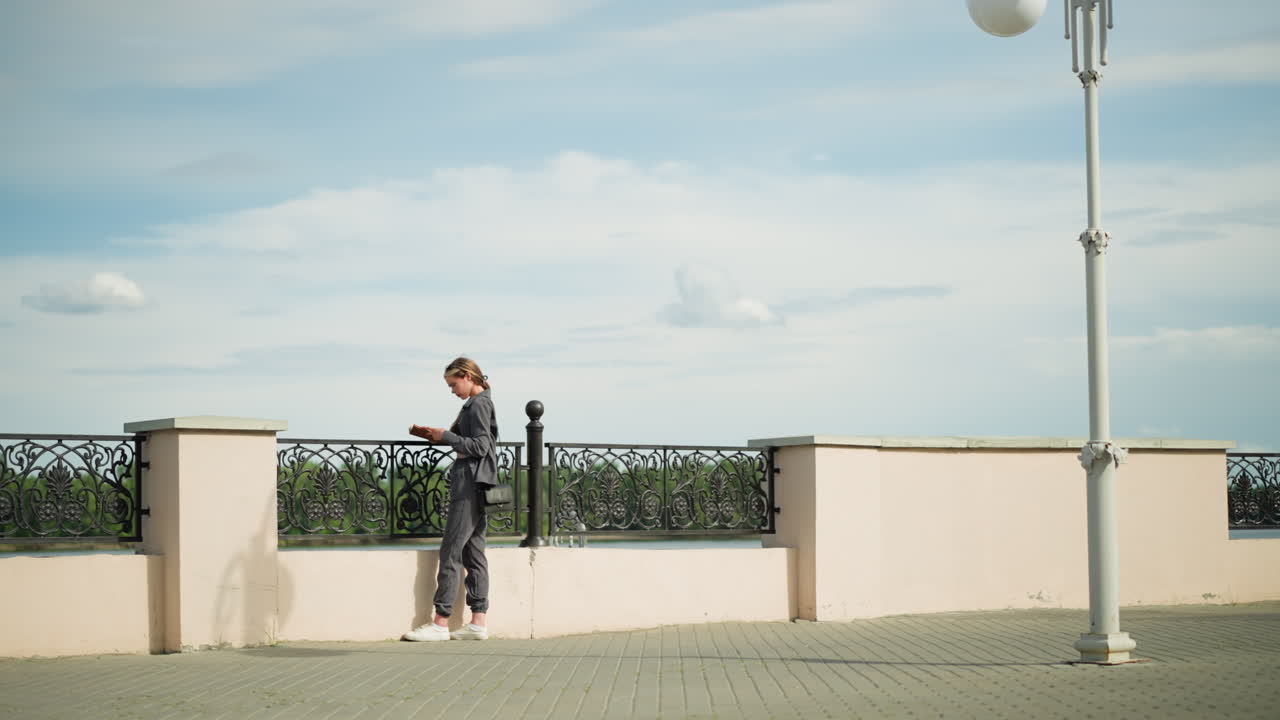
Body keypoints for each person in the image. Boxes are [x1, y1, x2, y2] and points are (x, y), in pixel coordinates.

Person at [403, 357, 498, 642]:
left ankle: (440, 623)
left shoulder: (479, 403)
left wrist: (446, 436)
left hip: (470, 483)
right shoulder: (480, 403)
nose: (452, 390)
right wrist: (440, 436)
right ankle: (478, 622)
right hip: (479, 482)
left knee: (451, 550)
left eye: (453, 384)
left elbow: (482, 445)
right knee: (473, 552)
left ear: (468, 376)